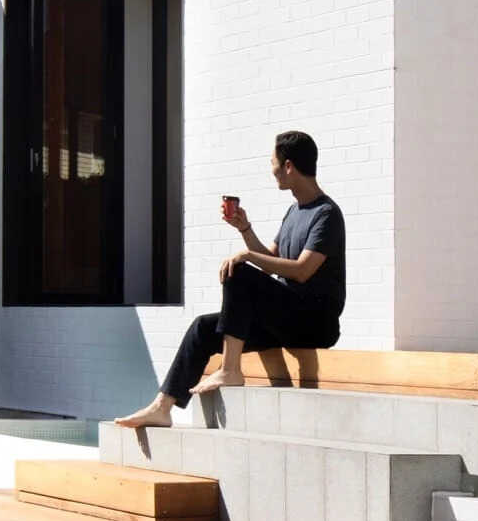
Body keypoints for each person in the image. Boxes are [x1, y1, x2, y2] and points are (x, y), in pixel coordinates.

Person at [113, 129, 346, 427]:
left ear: (289, 166)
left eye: (273, 162)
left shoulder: (326, 214)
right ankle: (163, 406)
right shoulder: (293, 212)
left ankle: (230, 368)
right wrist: (245, 229)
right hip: (286, 319)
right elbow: (271, 262)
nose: (271, 170)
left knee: (239, 271)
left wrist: (245, 256)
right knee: (203, 328)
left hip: (315, 322)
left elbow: (302, 270)